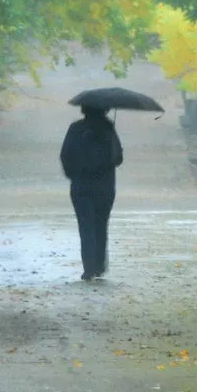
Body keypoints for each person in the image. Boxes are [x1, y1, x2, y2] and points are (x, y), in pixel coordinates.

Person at [59, 104, 123, 281]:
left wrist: (72, 175)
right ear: (105, 110)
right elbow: (118, 158)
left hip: (81, 186)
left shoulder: (75, 129)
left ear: (83, 110)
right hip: (105, 186)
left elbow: (65, 155)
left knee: (85, 227)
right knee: (101, 226)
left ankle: (88, 268)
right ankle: (99, 266)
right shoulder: (108, 129)